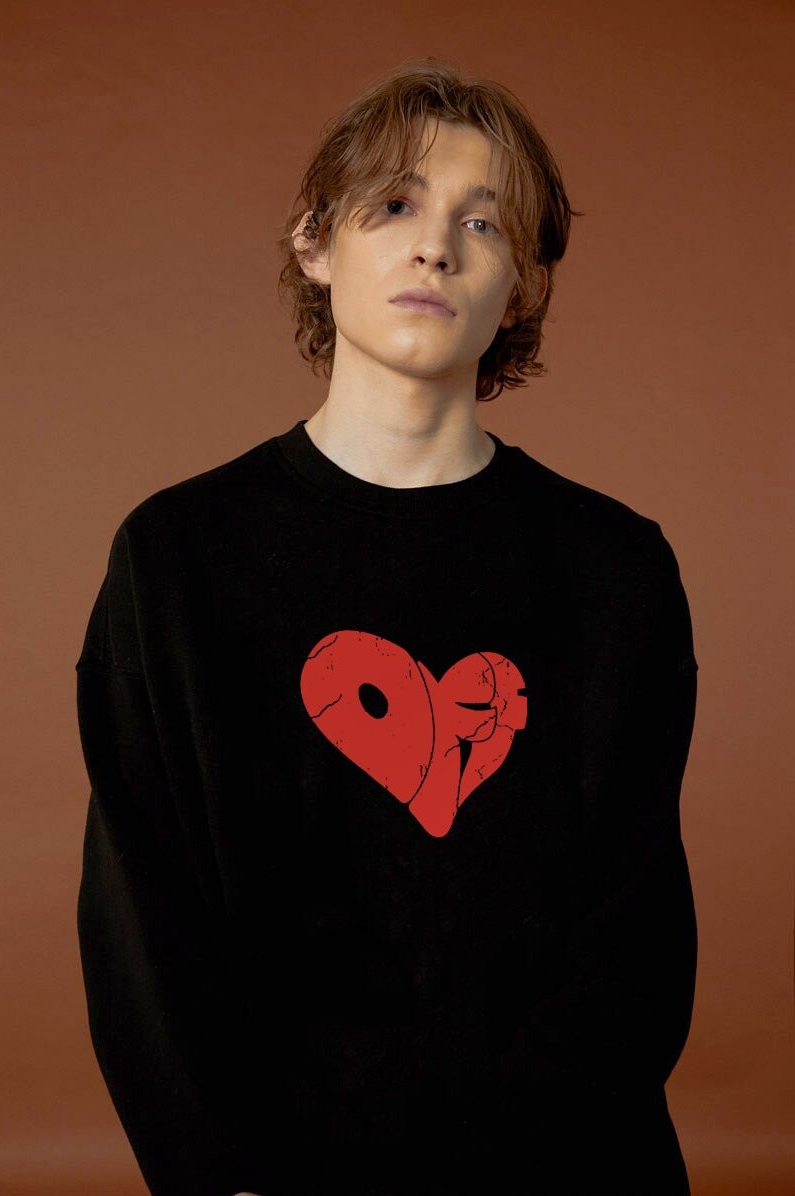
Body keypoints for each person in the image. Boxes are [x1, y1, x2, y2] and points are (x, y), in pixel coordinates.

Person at [75, 57, 699, 1196]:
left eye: (483, 222)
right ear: (315, 243)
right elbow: (144, 929)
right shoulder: (175, 558)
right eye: (396, 205)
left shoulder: (616, 571)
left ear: (521, 285)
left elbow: (634, 934)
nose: (435, 248)